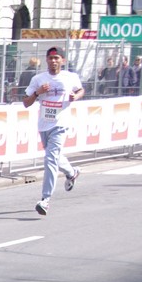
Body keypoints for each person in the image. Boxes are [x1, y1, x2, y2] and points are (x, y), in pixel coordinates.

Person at [22, 46, 83, 217]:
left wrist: (75, 97)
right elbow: (26, 102)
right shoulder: (38, 79)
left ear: (62, 60)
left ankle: (45, 199)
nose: (53, 61)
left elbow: (80, 90)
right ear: (46, 60)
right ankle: (72, 173)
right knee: (54, 156)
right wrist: (38, 93)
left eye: (57, 58)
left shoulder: (70, 77)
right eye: (51, 58)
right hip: (44, 124)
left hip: (61, 124)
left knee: (50, 159)